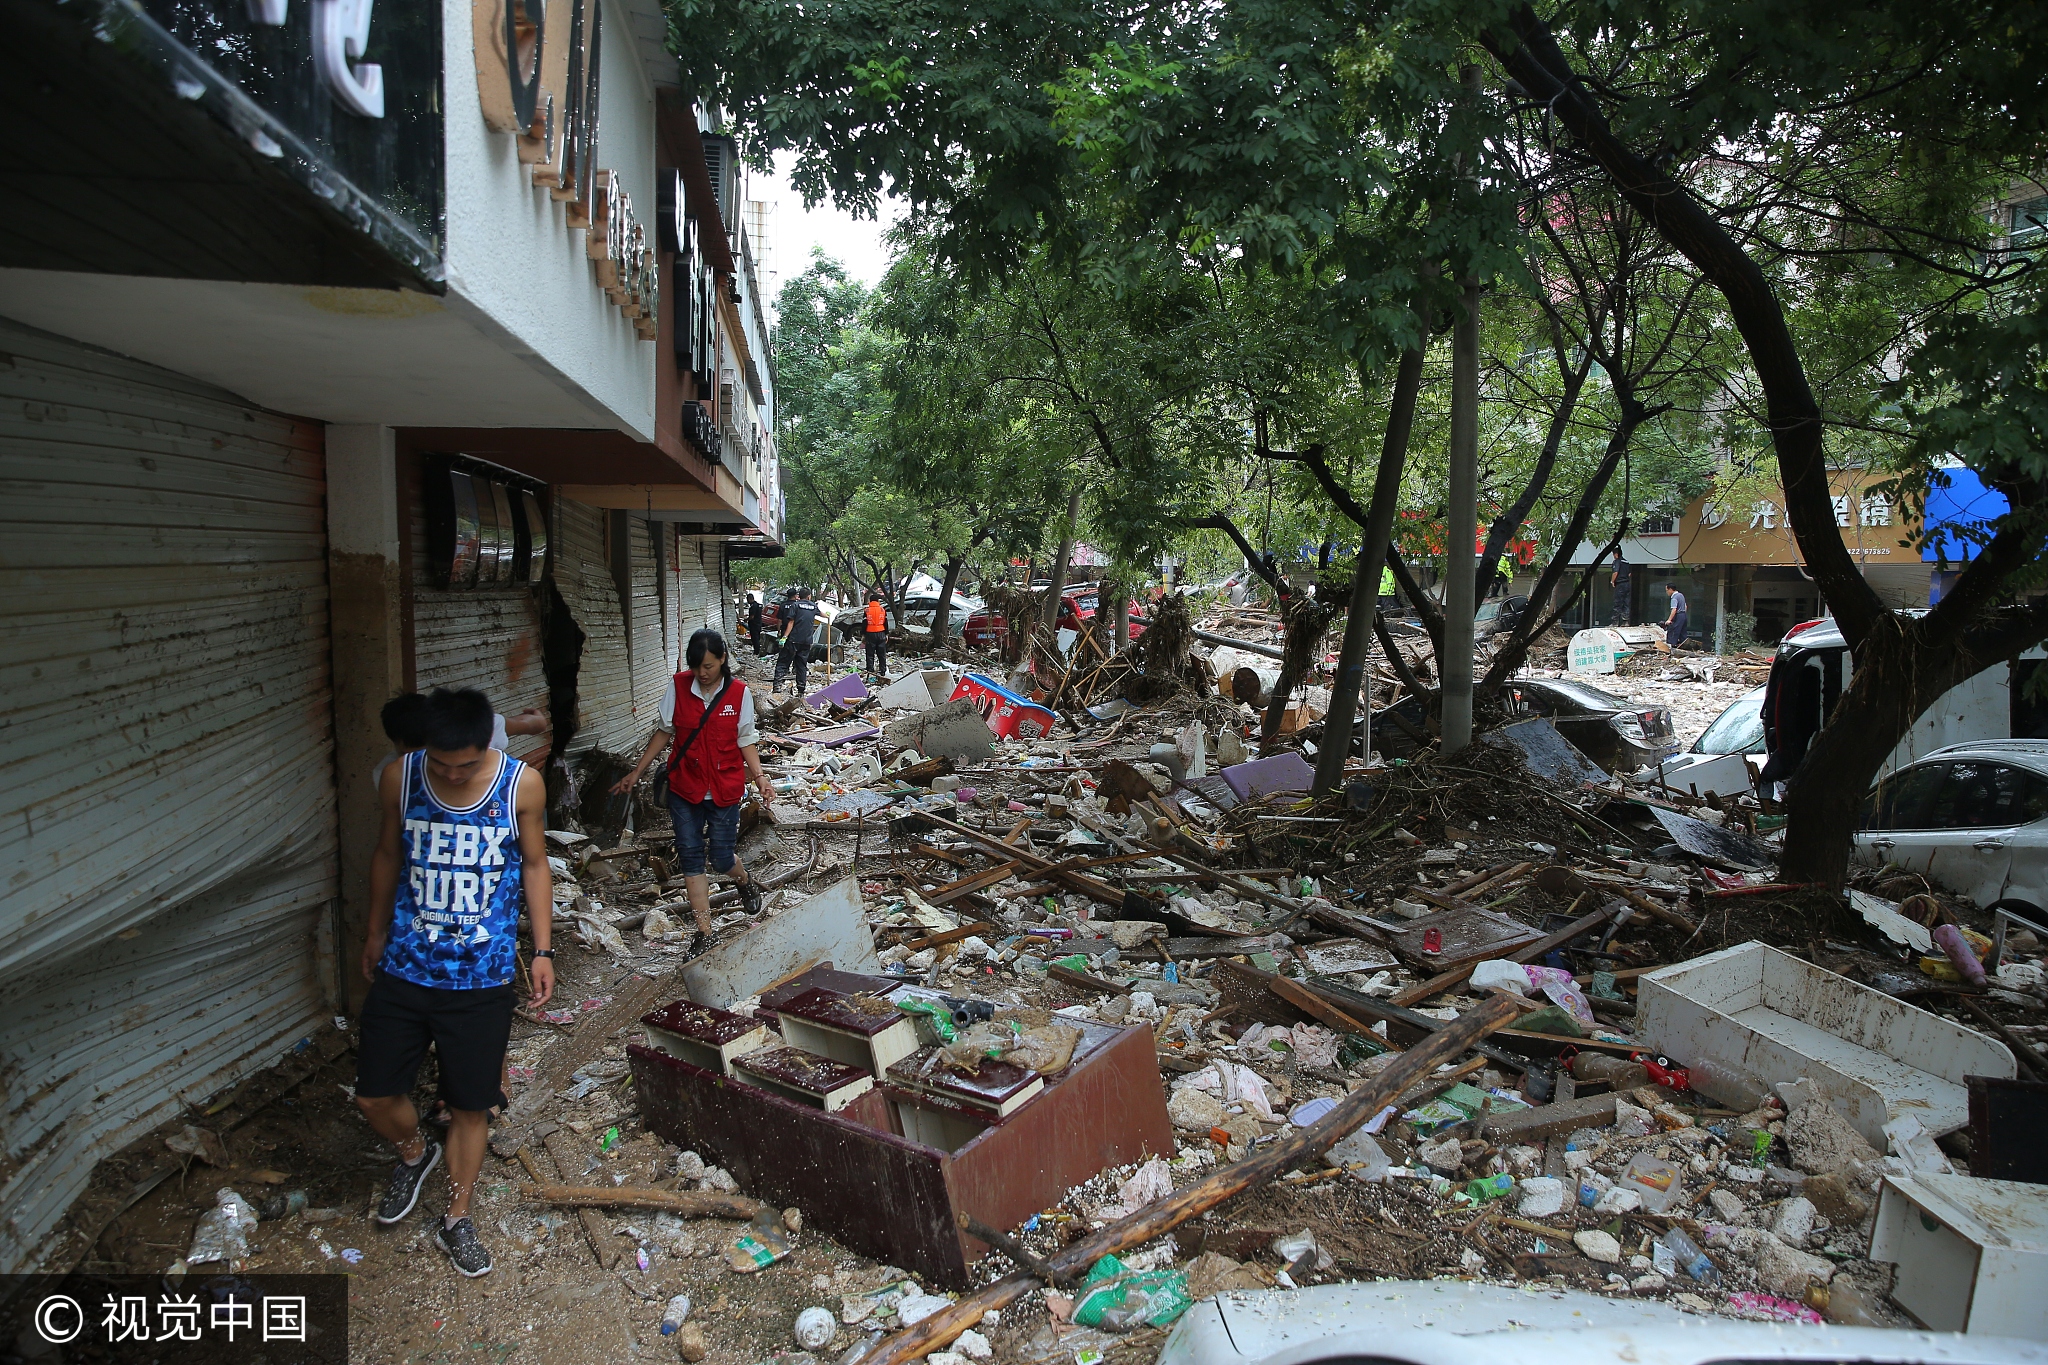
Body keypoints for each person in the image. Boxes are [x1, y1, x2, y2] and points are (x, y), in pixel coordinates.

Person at [355, 687, 552, 1278]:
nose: (453, 774)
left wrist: (540, 950)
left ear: (485, 744)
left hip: (483, 976)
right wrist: (373, 931)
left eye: (466, 764)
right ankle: (414, 1155)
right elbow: (388, 854)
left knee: (471, 1107)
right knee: (373, 1094)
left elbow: (536, 865)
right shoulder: (400, 777)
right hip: (406, 967)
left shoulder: (521, 785)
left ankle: (458, 1215)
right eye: (442, 764)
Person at [612, 630, 778, 935]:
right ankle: (705, 932)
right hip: (685, 786)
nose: (702, 673)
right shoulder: (678, 686)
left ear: (723, 660)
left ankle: (744, 881)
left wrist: (760, 778)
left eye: (709, 666)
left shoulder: (738, 693)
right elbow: (664, 732)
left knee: (721, 858)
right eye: (697, 666)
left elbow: (746, 740)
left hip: (724, 787)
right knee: (690, 854)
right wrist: (637, 771)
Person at [372, 695, 547, 791]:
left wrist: (538, 722)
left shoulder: (478, 728)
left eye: (427, 755)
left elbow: (527, 724)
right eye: (407, 755)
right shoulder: (390, 775)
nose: (416, 761)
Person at [771, 587, 819, 695]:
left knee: (783, 662)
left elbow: (790, 623)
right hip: (806, 641)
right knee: (801, 665)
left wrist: (784, 637)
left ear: (799, 596)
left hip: (793, 640)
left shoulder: (795, 605)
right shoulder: (813, 606)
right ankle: (801, 690)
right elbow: (824, 615)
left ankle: (777, 686)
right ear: (809, 596)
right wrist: (828, 614)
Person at [863, 590, 891, 678]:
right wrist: (886, 634)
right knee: (881, 653)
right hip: (881, 633)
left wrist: (863, 635)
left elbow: (864, 623)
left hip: (870, 634)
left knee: (870, 654)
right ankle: (882, 671)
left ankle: (870, 671)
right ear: (878, 601)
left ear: (870, 601)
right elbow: (885, 622)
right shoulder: (882, 610)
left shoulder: (867, 610)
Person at [1660, 582, 1689, 651]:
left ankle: (1672, 650)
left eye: (1667, 590)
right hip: (1684, 615)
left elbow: (1674, 609)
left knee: (1674, 632)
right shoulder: (1681, 595)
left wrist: (1669, 620)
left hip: (1678, 615)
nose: (1667, 592)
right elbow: (1685, 606)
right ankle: (1685, 648)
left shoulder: (1674, 597)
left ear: (1670, 589)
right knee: (1683, 633)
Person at [1609, 551, 1633, 626]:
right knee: (1626, 603)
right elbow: (1629, 574)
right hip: (1627, 583)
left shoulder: (1617, 562)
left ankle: (1615, 622)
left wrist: (1612, 581)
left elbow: (1615, 572)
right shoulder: (1626, 562)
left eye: (1613, 554)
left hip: (1620, 584)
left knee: (1618, 602)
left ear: (1616, 554)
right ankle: (1625, 621)